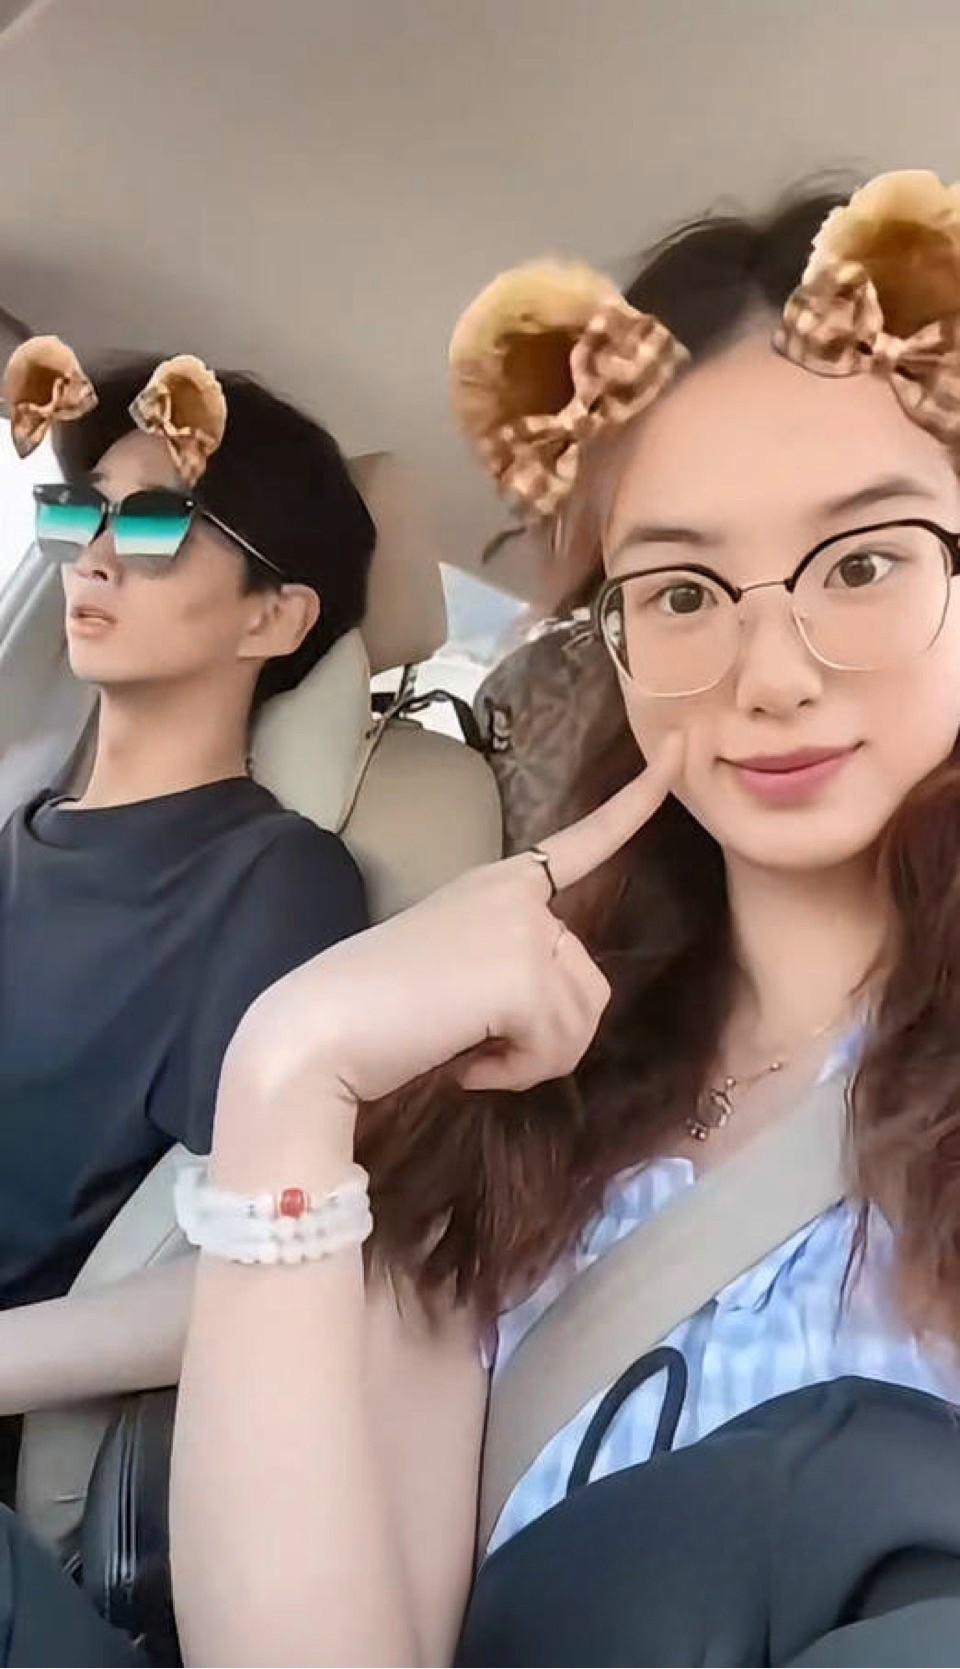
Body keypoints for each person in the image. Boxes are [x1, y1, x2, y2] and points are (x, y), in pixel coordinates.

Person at [167, 168, 960, 1667]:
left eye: (864, 563)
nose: (770, 673)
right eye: (682, 591)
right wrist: (289, 1071)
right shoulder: (504, 1103)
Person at [0, 346, 372, 1480]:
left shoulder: (276, 883)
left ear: (274, 617)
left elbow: (255, 1259)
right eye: (81, 510)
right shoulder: (21, 830)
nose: (96, 553)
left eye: (157, 522)